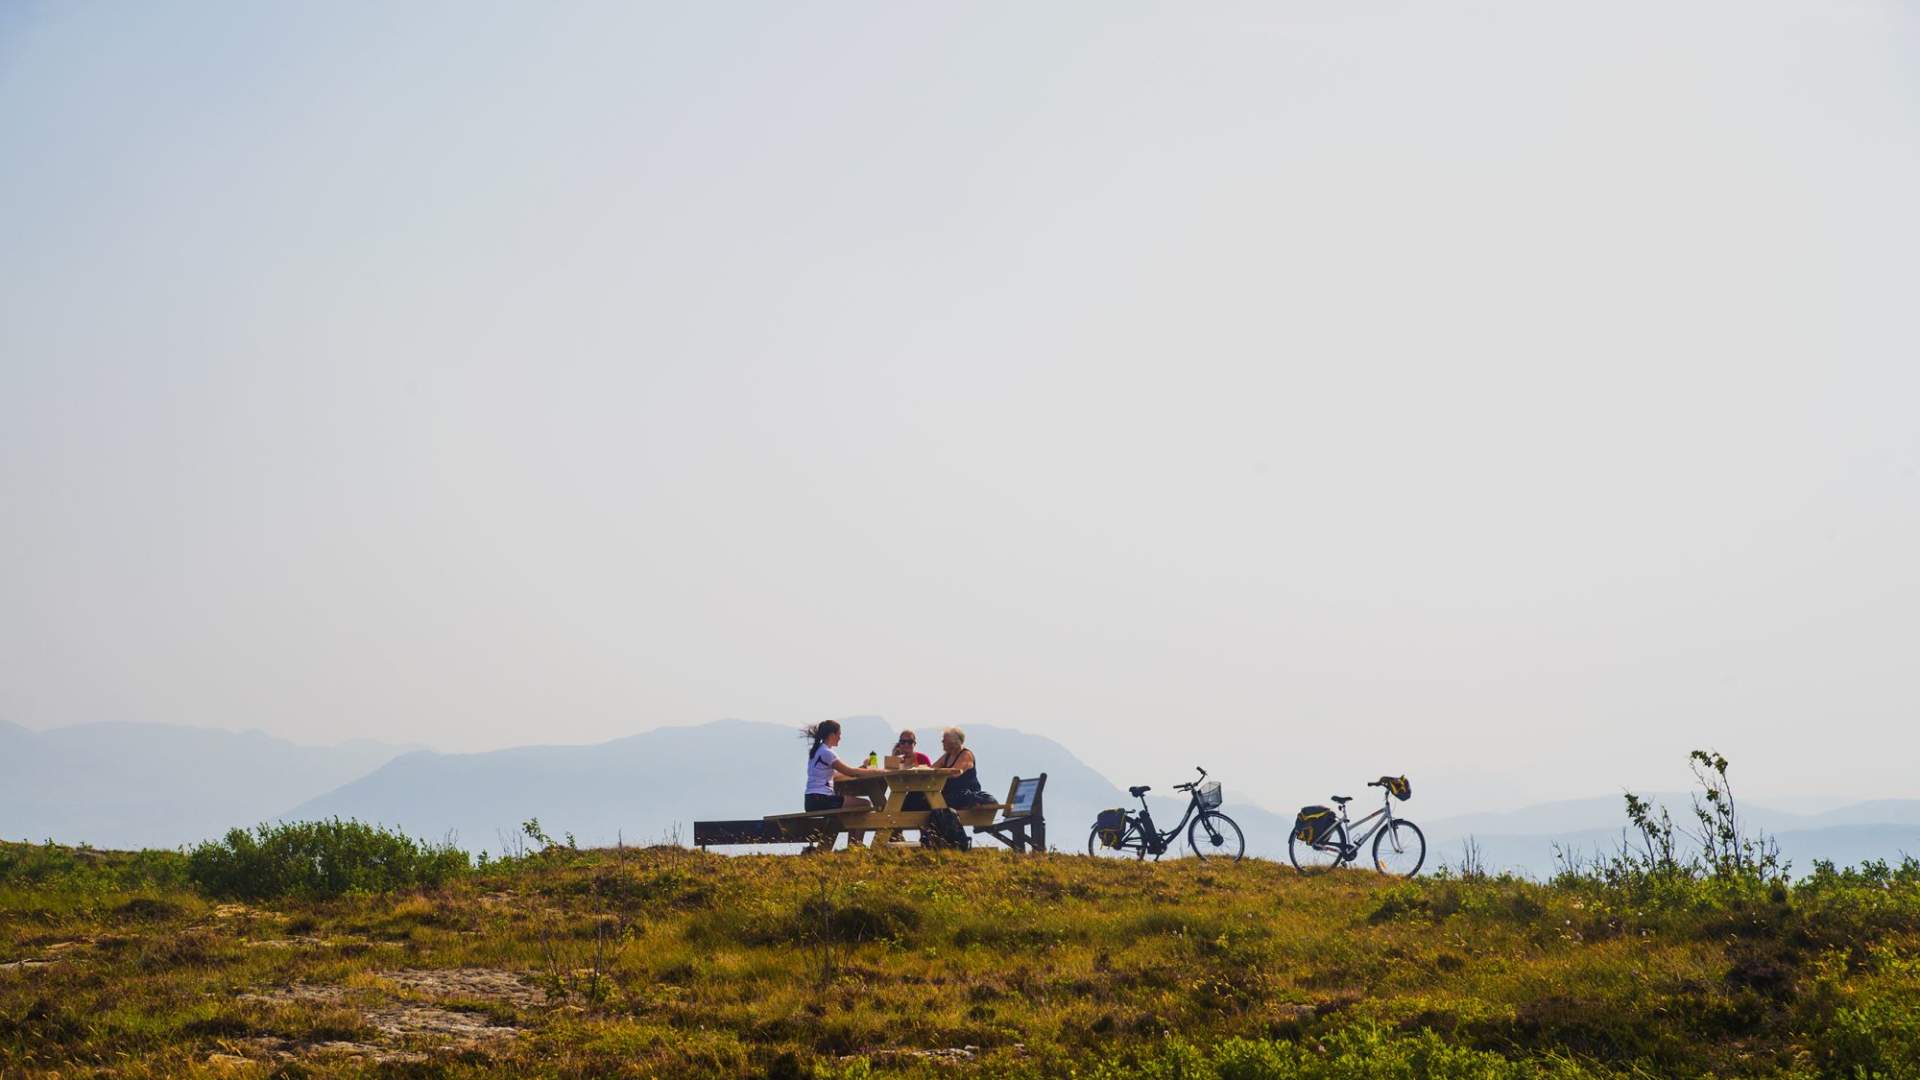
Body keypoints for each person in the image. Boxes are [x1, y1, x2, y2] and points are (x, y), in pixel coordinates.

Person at [802, 720, 882, 811]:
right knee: (866, 803)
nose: (840, 738)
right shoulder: (827, 752)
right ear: (832, 735)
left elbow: (838, 774)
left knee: (849, 806)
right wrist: (877, 771)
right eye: (839, 734)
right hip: (822, 799)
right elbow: (850, 772)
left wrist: (862, 768)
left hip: (810, 801)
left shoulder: (816, 751)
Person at [932, 726, 989, 808]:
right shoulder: (947, 756)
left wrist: (937, 773)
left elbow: (955, 773)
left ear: (953, 742)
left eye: (944, 740)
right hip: (950, 794)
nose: (942, 741)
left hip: (964, 795)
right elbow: (932, 768)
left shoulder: (966, 755)